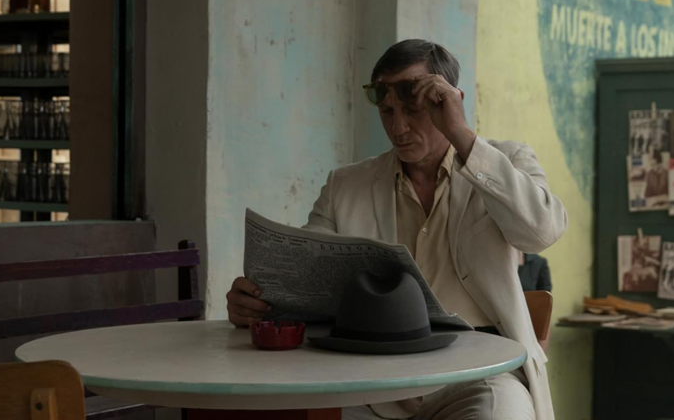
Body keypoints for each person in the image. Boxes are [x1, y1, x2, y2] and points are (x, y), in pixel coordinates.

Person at [226, 39, 568, 420]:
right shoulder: (345, 186)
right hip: (369, 382)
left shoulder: (505, 160)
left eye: (413, 109)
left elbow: (542, 231)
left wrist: (462, 136)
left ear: (450, 102)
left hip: (479, 378)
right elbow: (306, 281)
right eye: (387, 111)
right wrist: (258, 305)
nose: (398, 127)